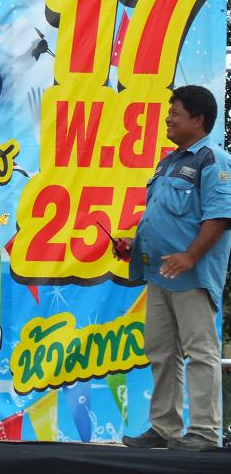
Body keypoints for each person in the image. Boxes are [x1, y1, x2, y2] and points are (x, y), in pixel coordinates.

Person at [120, 85, 231, 452]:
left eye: (175, 113)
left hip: (192, 276)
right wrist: (133, 245)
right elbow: (162, 217)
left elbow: (220, 216)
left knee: (200, 352)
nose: (168, 119)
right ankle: (165, 427)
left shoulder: (214, 159)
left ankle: (205, 431)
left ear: (197, 120)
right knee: (161, 352)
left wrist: (191, 256)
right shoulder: (167, 163)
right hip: (159, 274)